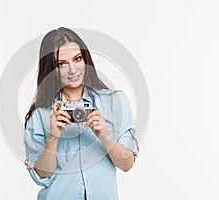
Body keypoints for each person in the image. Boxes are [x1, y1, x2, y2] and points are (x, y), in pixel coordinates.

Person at [24, 27, 139, 200]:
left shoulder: (115, 102)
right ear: (51, 70)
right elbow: (42, 176)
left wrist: (104, 136)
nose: (72, 70)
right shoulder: (40, 115)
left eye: (77, 59)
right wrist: (53, 138)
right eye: (61, 63)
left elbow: (127, 164)